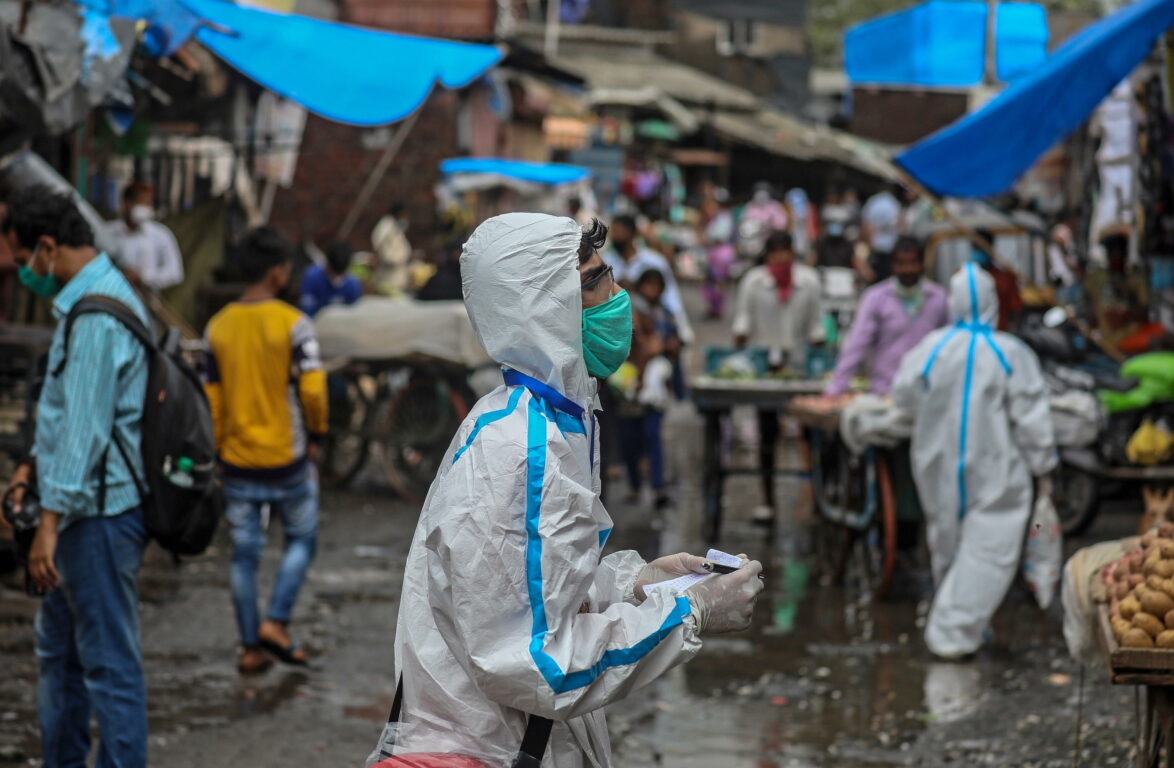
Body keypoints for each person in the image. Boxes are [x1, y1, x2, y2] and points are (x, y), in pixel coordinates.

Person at [380, 214, 763, 766]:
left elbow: (536, 591)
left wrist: (637, 583)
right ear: (546, 306)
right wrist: (687, 613)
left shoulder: (556, 417)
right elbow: (535, 665)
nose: (618, 297)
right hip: (488, 751)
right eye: (596, 281)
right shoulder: (519, 450)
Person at [2, 187, 150, 767]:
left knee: (107, 667)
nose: (22, 275)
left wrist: (48, 524)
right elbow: (62, 417)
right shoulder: (90, 300)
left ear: (46, 247)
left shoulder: (95, 314)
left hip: (97, 519)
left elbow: (85, 432)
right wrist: (26, 476)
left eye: (21, 263)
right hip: (80, 514)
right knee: (60, 659)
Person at [890, 263, 1056, 659]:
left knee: (947, 546)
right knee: (988, 550)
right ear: (993, 303)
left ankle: (962, 627)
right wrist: (1044, 465)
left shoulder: (932, 348)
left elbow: (903, 397)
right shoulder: (1008, 351)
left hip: (939, 466)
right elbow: (1032, 416)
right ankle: (954, 636)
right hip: (995, 469)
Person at [203, 227, 328, 675]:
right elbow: (313, 389)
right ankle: (276, 621)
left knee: (243, 555)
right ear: (277, 271)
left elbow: (212, 400)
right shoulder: (294, 324)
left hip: (236, 460)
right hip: (287, 459)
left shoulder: (217, 327)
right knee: (301, 539)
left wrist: (218, 451)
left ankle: (250, 649)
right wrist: (317, 434)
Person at [731, 231, 824, 521]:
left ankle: (816, 493)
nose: (781, 259)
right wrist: (741, 336)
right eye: (775, 253)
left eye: (786, 252)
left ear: (793, 255)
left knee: (812, 435)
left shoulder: (809, 281)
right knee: (767, 434)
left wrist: (819, 346)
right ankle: (768, 500)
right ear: (767, 256)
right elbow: (743, 321)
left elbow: (817, 325)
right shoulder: (753, 282)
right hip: (764, 369)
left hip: (799, 367)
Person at [825, 236, 949, 398]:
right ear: (892, 265)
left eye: (913, 263)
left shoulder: (938, 298)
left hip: (927, 394)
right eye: (901, 264)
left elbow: (949, 346)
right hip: (885, 392)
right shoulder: (876, 298)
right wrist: (835, 388)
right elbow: (857, 344)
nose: (908, 269)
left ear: (922, 264)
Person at [618, 269, 681, 509]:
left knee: (652, 436)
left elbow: (668, 347)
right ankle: (636, 485)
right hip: (628, 388)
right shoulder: (630, 314)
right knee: (630, 440)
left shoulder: (663, 315)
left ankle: (656, 487)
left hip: (650, 391)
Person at [603, 214, 694, 344]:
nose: (615, 237)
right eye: (614, 233)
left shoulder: (654, 261)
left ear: (632, 234)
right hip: (617, 331)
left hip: (653, 329)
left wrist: (682, 330)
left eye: (619, 232)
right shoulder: (606, 262)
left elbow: (671, 296)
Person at [109, 180, 184, 292]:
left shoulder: (160, 234)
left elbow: (175, 273)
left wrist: (144, 277)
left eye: (148, 203)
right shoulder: (109, 232)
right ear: (126, 203)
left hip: (147, 300)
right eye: (141, 202)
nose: (146, 208)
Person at [969, 229, 1023, 332]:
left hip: (999, 335)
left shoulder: (1005, 278)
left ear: (990, 247)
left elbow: (1016, 310)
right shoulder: (960, 279)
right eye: (975, 247)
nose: (977, 250)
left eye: (980, 246)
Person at [298, 241, 362, 317]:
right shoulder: (312, 277)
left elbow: (354, 314)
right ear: (327, 264)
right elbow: (306, 312)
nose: (337, 277)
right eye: (334, 272)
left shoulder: (352, 285)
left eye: (340, 273)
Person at [860, 185, 902, 284]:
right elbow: (900, 224)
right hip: (891, 247)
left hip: (876, 247)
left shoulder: (872, 202)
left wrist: (869, 242)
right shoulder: (894, 203)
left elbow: (866, 225)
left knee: (875, 279)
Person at [370, 201, 411, 295]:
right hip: (388, 277)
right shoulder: (385, 227)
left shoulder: (395, 226)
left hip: (397, 276)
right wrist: (398, 259)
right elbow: (381, 249)